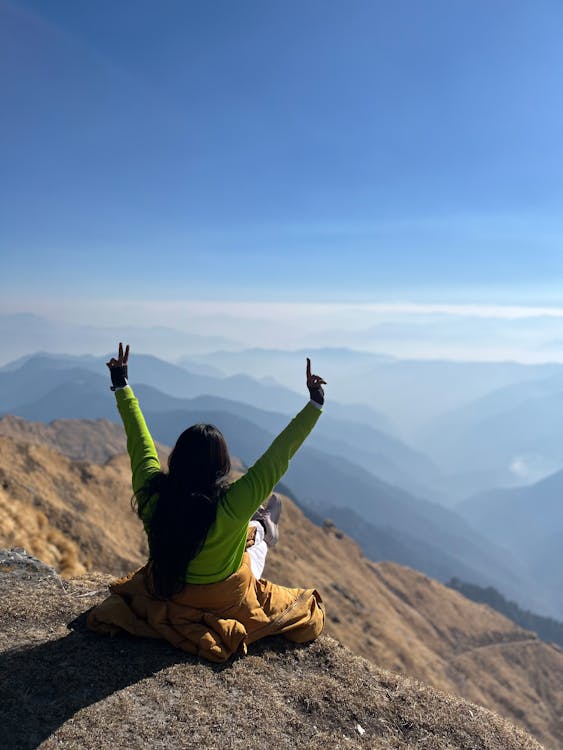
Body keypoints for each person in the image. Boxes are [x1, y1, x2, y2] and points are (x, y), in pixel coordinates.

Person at [87, 343, 327, 662]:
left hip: (165, 588)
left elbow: (139, 440)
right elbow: (277, 457)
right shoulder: (231, 504)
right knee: (256, 546)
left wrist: (121, 383)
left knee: (244, 532)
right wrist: (315, 403)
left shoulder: (152, 493)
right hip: (223, 599)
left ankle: (261, 525)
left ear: (177, 458)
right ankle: (265, 527)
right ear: (221, 465)